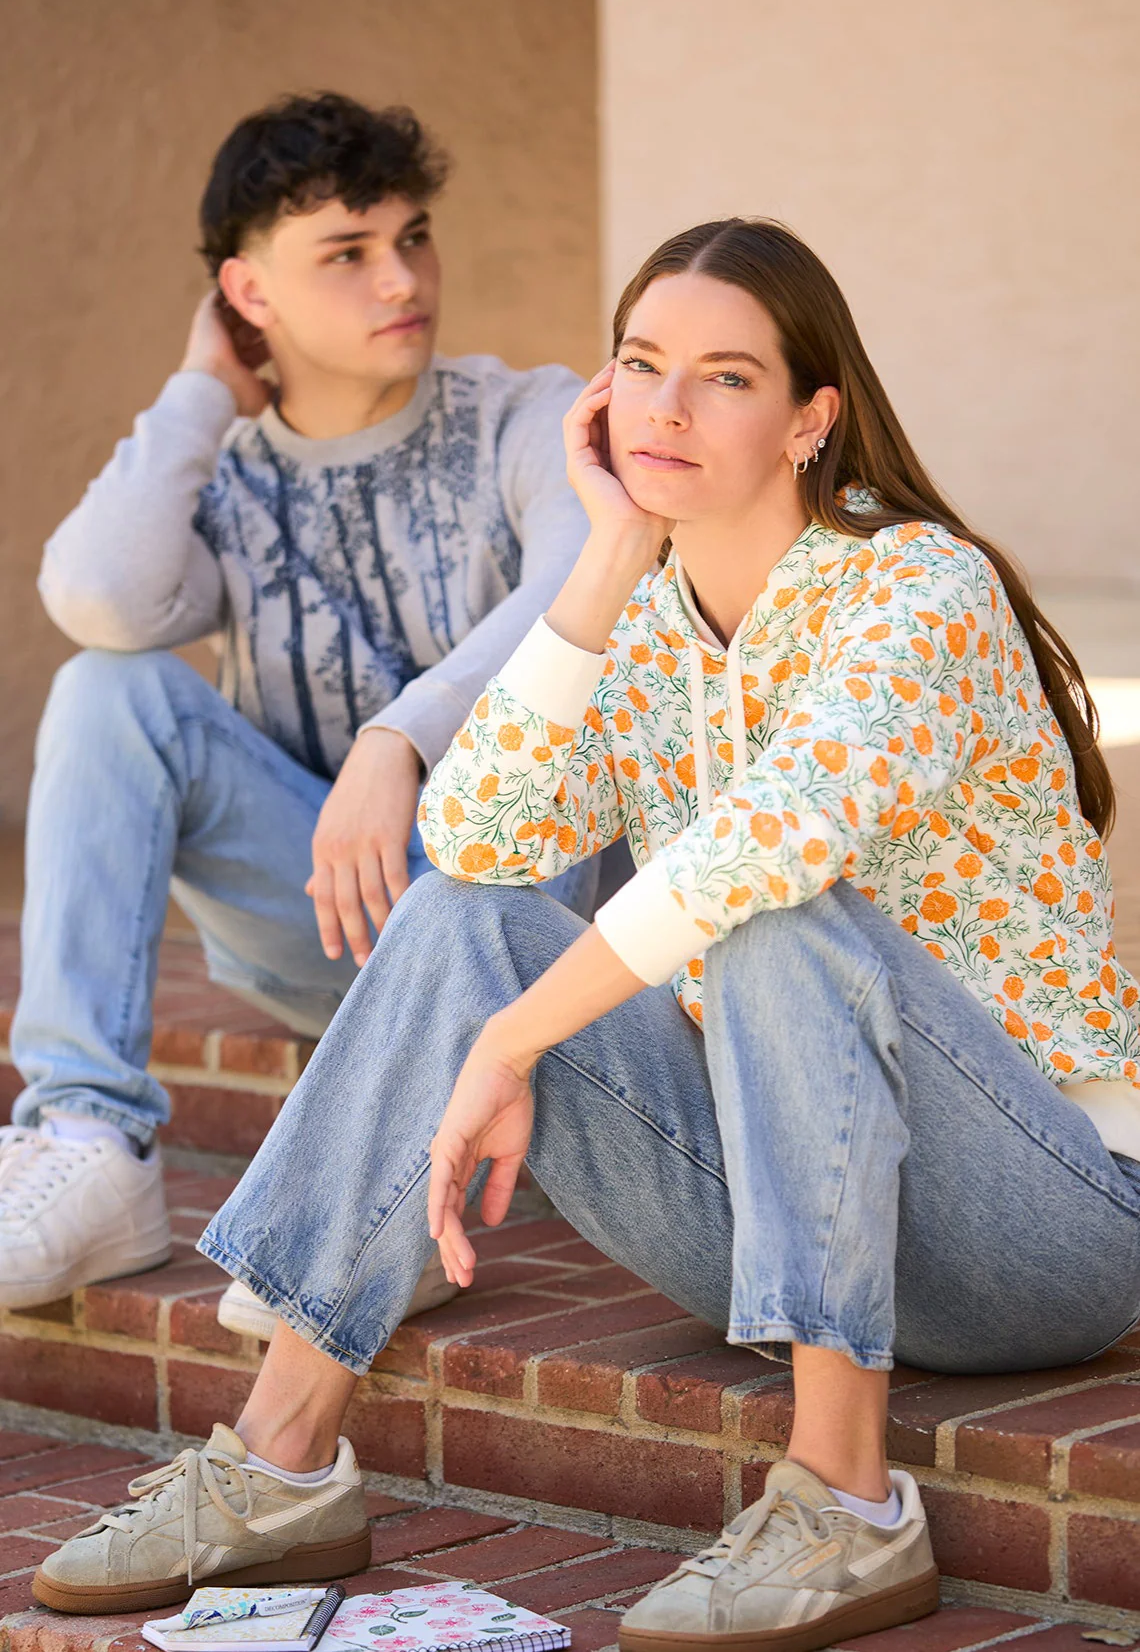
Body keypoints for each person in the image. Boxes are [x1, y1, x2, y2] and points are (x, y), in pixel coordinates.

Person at [34, 219, 1140, 1652]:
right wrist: (606, 557)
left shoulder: (918, 589)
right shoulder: (652, 624)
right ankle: (280, 1456)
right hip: (788, 1214)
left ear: (813, 417)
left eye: (725, 376)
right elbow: (479, 845)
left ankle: (845, 1503)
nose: (668, 408)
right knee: (459, 920)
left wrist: (515, 1039)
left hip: (1042, 1226)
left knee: (767, 916)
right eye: (641, 364)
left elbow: (775, 837)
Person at [0, 91, 596, 1318]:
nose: (403, 280)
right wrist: (196, 394)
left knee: (564, 711)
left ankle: (376, 1203)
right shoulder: (223, 479)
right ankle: (91, 1141)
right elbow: (101, 596)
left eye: (413, 237)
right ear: (247, 294)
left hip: (518, 935)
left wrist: (399, 739)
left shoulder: (527, 417)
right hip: (324, 921)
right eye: (347, 253)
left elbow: (582, 586)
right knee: (108, 689)